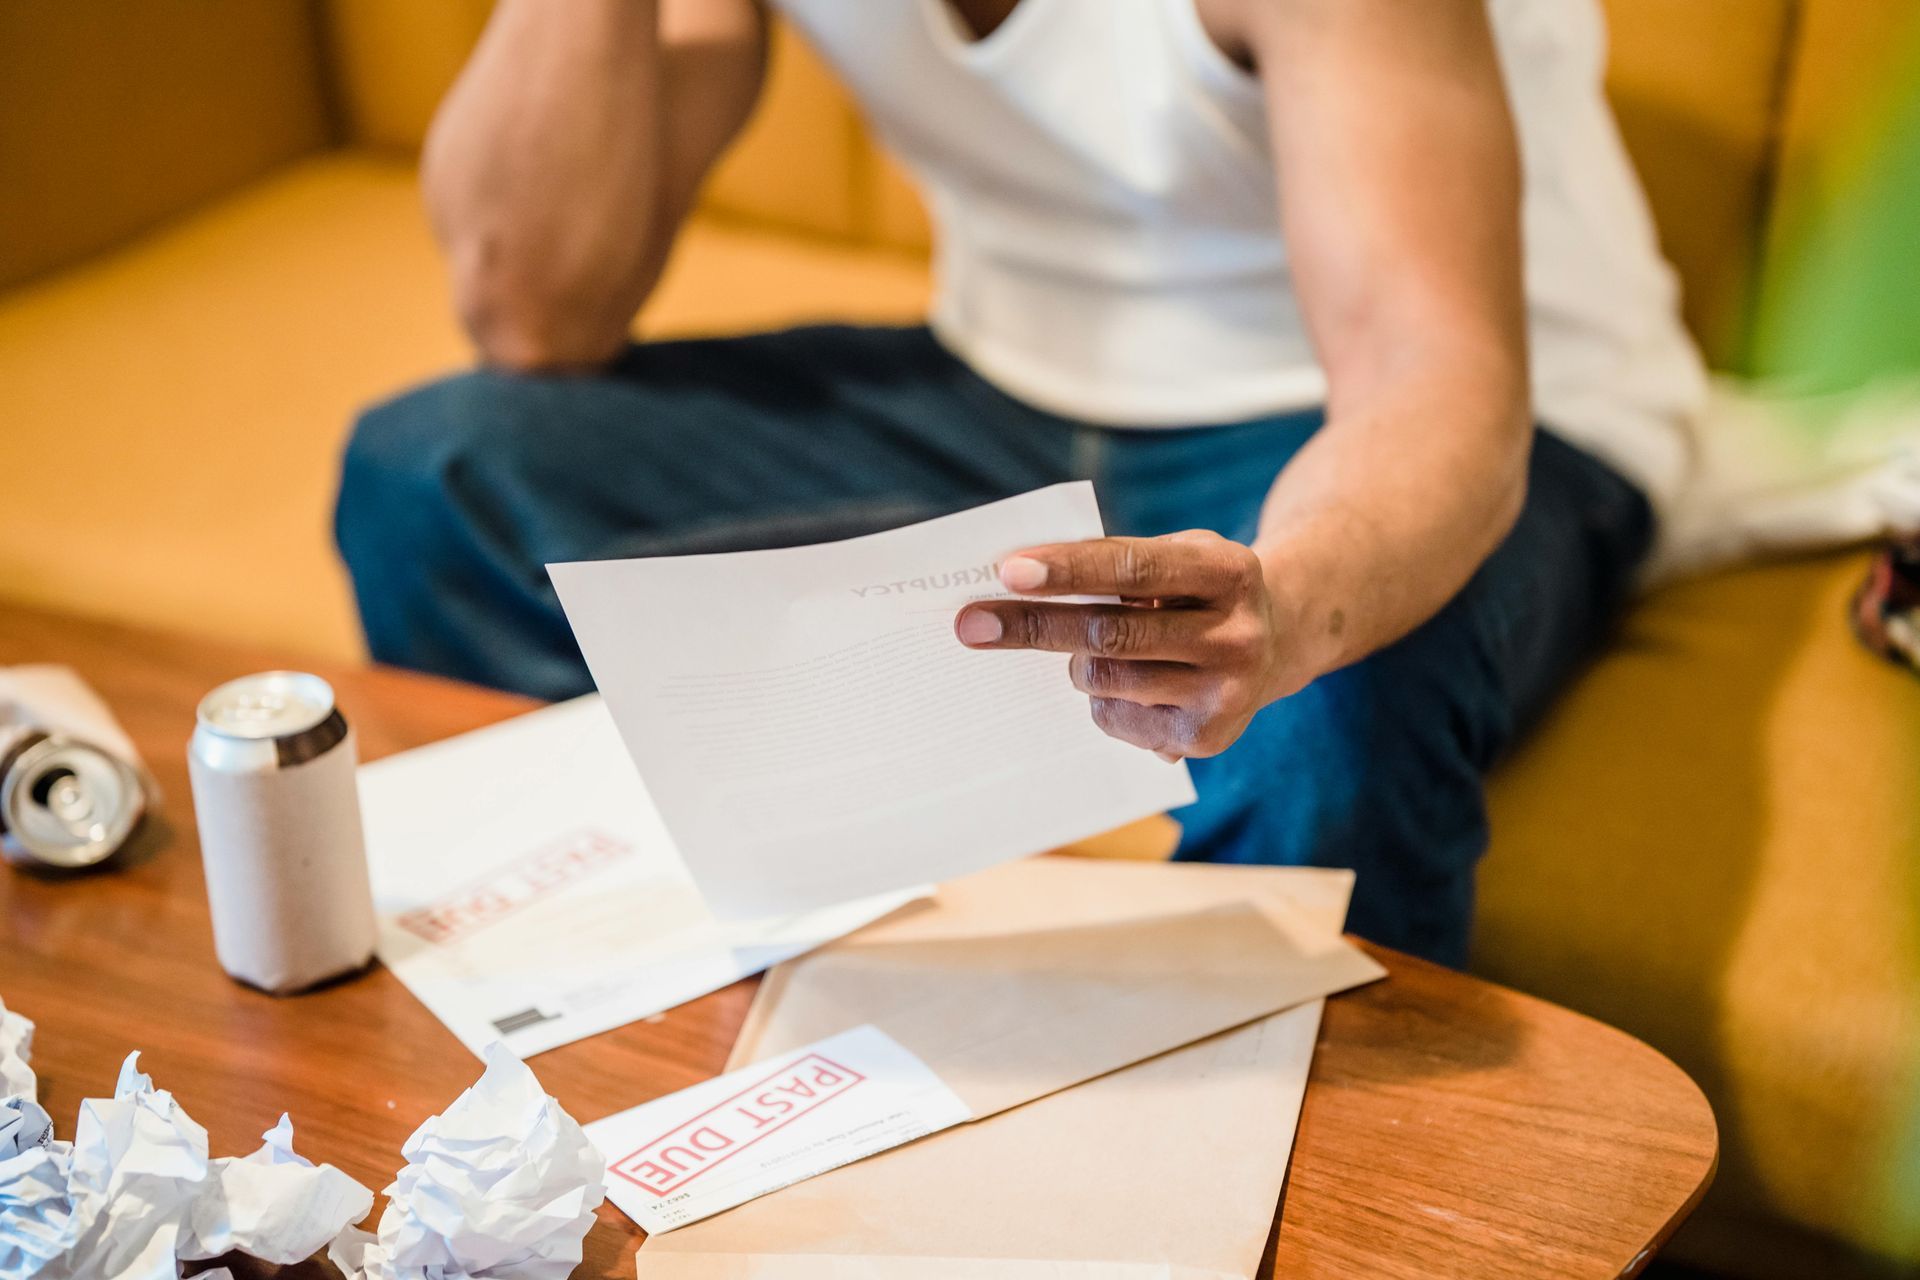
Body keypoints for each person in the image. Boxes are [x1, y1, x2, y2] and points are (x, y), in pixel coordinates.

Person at [334, 0, 1705, 966]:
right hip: (1016, 388)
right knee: (436, 478)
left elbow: (1435, 372)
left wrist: (1284, 609)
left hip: (1436, 421)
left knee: (1324, 701)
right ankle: (715, 973)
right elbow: (531, 307)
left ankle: (1280, 1189)